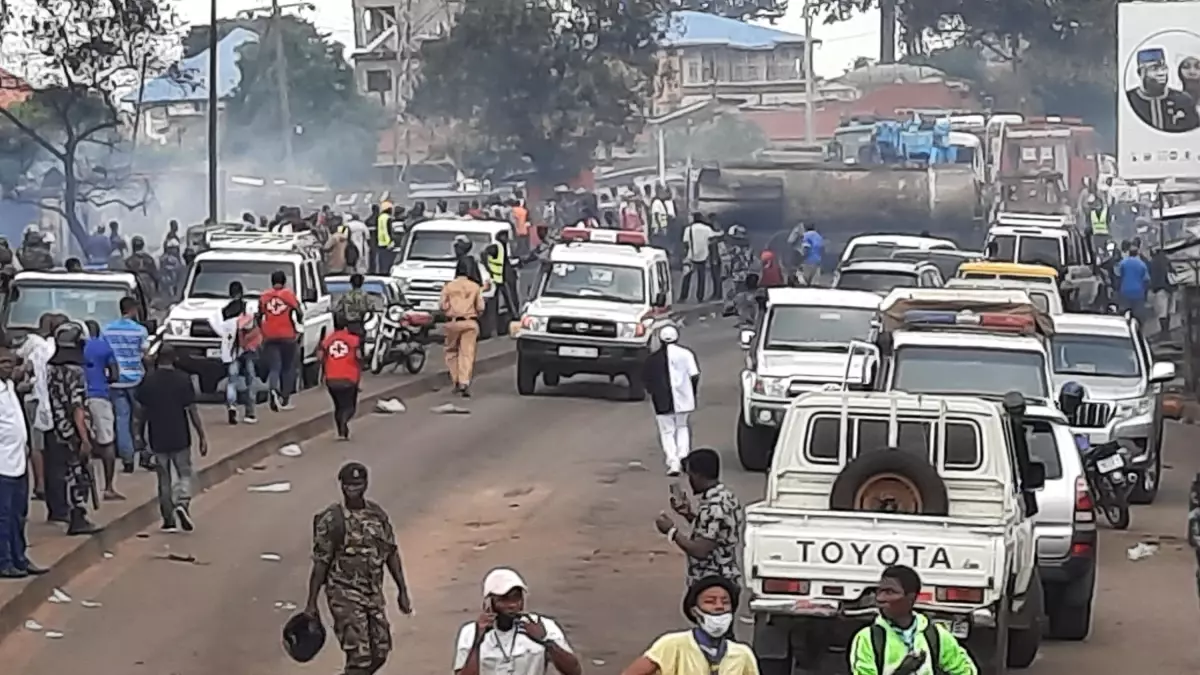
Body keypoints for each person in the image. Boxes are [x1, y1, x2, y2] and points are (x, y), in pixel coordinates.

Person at [305, 462, 414, 675]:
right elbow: (320, 562)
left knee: (380, 651)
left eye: (356, 485)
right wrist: (311, 603)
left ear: (365, 484)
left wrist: (402, 590)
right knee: (359, 657)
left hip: (373, 594)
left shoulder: (377, 515)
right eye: (347, 485)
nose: (351, 490)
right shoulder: (332, 519)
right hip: (344, 593)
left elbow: (390, 553)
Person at [848, 565, 978, 675]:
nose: (880, 598)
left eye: (890, 592)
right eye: (879, 592)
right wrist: (901, 672)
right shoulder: (868, 639)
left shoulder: (935, 635)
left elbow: (965, 671)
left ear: (911, 598)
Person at [134, 345, 208, 533]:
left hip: (157, 436)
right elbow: (192, 410)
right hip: (180, 435)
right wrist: (201, 436)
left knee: (163, 478)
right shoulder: (183, 379)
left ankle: (168, 520)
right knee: (184, 473)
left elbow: (140, 413)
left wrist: (138, 436)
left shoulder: (148, 381)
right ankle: (182, 502)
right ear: (174, 358)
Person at [454, 567, 582, 675]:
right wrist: (477, 641)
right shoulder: (470, 632)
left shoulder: (542, 626)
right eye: (504, 599)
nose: (512, 605)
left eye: (516, 598)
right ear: (488, 603)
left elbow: (574, 671)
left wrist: (547, 642)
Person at [619, 576, 756, 675]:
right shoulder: (672, 645)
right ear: (695, 611)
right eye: (710, 601)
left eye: (725, 602)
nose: (719, 607)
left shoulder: (742, 655)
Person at [44, 322, 102, 535]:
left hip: (57, 429)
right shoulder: (75, 372)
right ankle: (78, 517)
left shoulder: (51, 369)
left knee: (64, 473)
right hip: (74, 433)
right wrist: (85, 437)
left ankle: (66, 512)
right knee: (80, 475)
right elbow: (77, 407)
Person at [655, 448, 743, 587]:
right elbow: (713, 531)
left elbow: (700, 550)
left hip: (713, 582)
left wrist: (671, 531)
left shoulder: (714, 507)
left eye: (690, 475)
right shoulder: (726, 496)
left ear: (698, 475)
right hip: (725, 577)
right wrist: (689, 515)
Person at [0, 345, 48, 578]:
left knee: (20, 513)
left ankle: (20, 557)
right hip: (2, 464)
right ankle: (4, 561)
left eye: (10, 362)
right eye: (3, 363)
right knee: (4, 515)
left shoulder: (9, 387)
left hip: (18, 459)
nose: (8, 367)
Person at [17, 312, 64, 502]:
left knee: (37, 445)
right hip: (53, 401)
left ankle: (40, 483)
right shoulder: (56, 348)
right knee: (52, 444)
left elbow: (22, 366)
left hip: (34, 399)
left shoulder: (33, 345)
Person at [642, 324, 700, 475]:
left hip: (661, 400)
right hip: (684, 399)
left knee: (667, 432)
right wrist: (691, 392)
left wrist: (653, 392)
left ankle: (673, 462)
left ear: (660, 339)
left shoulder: (652, 359)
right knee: (682, 427)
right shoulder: (686, 354)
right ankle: (683, 458)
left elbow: (647, 381)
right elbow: (694, 375)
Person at [102, 297, 149, 473]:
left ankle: (127, 460)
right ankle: (144, 452)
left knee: (122, 419)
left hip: (116, 380)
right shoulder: (140, 331)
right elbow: (145, 353)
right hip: (136, 379)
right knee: (140, 419)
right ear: (134, 310)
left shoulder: (107, 330)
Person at [82, 320, 122, 500]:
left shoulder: (76, 346)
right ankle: (108, 487)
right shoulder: (104, 347)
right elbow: (115, 374)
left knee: (81, 442)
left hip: (77, 397)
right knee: (107, 443)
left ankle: (82, 488)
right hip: (99, 395)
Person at [211, 282, 259, 425]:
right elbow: (251, 326)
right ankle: (250, 412)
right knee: (250, 379)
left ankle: (232, 406)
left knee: (232, 381)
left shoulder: (223, 311)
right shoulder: (247, 308)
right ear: (242, 292)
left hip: (230, 350)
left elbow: (219, 330)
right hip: (246, 348)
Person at [1126, 47, 1200, 133]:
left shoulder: (1184, 100)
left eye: (1163, 68)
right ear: (1140, 72)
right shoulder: (1130, 99)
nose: (1161, 73)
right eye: (1154, 69)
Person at [259, 270, 303, 412]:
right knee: (288, 367)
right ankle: (285, 399)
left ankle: (272, 391)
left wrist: (262, 330)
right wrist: (298, 324)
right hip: (287, 335)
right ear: (284, 281)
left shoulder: (264, 296)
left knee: (274, 367)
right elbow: (299, 311)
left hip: (270, 336)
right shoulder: (288, 295)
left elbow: (259, 315)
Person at [441, 258, 485, 397]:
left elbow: (442, 305)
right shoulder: (475, 287)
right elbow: (481, 307)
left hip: (452, 322)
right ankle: (464, 382)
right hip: (470, 322)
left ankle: (456, 380)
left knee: (451, 352)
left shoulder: (449, 286)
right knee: (467, 353)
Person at [322, 314, 364, 440]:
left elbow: (320, 357)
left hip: (331, 378)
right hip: (349, 378)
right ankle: (344, 421)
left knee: (338, 406)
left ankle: (341, 432)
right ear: (346, 327)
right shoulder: (353, 340)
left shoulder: (328, 340)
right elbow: (359, 356)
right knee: (350, 406)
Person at [680, 214, 716, 303]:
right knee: (701, 278)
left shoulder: (688, 229)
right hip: (703, 256)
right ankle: (700, 297)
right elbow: (713, 239)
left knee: (687, 277)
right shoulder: (707, 229)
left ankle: (683, 296)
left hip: (691, 256)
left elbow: (685, 243)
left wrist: (684, 255)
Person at [1116, 243, 1151, 322]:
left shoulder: (1123, 263)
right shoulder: (1142, 264)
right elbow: (1146, 280)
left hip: (1125, 291)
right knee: (1138, 315)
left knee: (1125, 313)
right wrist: (1145, 294)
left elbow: (1118, 276)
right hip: (1138, 292)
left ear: (1129, 253)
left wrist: (1117, 290)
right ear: (1137, 253)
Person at [335, 273, 374, 341]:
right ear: (362, 283)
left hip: (348, 325)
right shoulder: (365, 296)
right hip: (360, 324)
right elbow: (371, 309)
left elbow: (337, 310)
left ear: (351, 283)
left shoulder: (346, 296)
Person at [1149, 245, 1175, 335]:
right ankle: (1167, 330)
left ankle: (1164, 331)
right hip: (1170, 288)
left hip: (1160, 288)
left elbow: (1152, 276)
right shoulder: (1167, 260)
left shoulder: (1154, 262)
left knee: (1162, 312)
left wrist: (1152, 288)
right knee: (1168, 311)